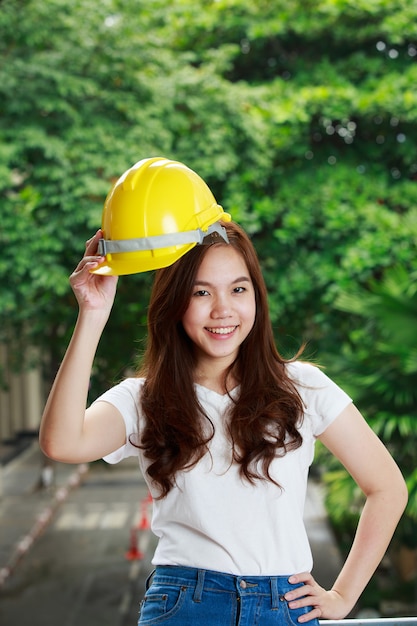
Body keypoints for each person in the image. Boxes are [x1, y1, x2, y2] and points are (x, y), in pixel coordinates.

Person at [40, 218, 407, 626]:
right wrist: (92, 313)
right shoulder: (143, 398)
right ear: (176, 302)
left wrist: (342, 595)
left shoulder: (303, 387)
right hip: (185, 603)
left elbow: (387, 487)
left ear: (256, 297)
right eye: (201, 292)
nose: (223, 309)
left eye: (238, 289)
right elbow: (61, 442)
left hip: (285, 606)